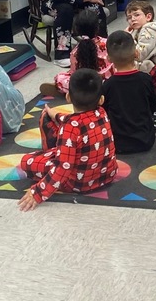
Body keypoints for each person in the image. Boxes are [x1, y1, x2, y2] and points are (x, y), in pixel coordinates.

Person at [18, 68, 117, 211]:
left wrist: (38, 193)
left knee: (26, 161)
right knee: (54, 123)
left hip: (78, 183)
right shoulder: (102, 112)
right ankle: (55, 151)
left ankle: (52, 152)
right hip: (107, 175)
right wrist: (55, 115)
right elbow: (78, 121)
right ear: (101, 99)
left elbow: (63, 168)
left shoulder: (70, 127)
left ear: (68, 97)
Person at [101, 30, 156, 153]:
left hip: (116, 143)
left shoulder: (108, 84)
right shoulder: (145, 79)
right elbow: (153, 106)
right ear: (136, 53)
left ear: (108, 59)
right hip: (144, 141)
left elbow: (104, 111)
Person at [43, 9, 113, 97]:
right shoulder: (108, 43)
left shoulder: (75, 52)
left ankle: (77, 91)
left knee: (60, 77)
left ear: (76, 30)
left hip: (85, 85)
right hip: (107, 82)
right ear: (97, 27)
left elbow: (74, 74)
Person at [125, 0, 156, 73]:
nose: (133, 19)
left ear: (148, 17)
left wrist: (127, 37)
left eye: (136, 15)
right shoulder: (137, 30)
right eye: (129, 17)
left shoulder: (148, 29)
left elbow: (139, 55)